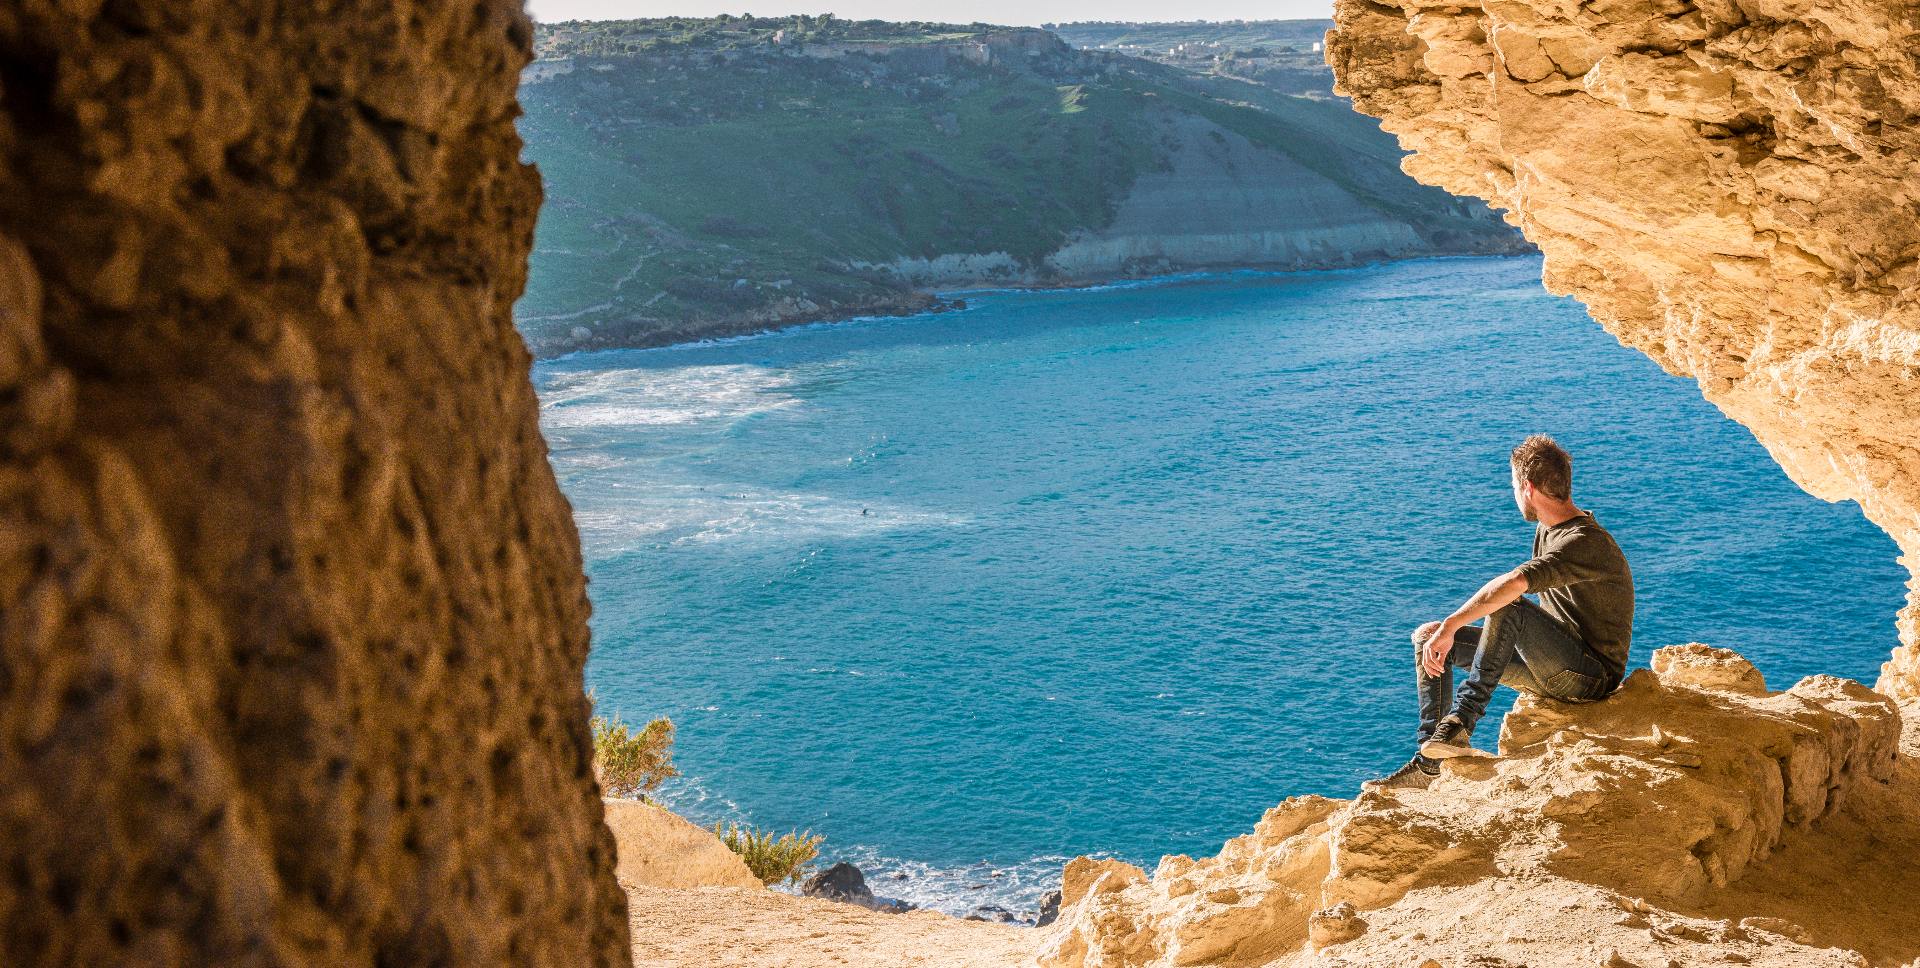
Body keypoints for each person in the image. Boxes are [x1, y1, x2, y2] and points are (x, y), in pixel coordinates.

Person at [1366, 435, 1635, 791]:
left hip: (1590, 678)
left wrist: (1453, 623)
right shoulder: (1548, 529)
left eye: (1512, 485)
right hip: (1552, 665)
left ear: (1528, 487)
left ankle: (1461, 721)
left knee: (1508, 605)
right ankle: (1428, 763)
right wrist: (1443, 632)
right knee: (1428, 639)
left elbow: (1513, 584)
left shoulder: (1584, 541)